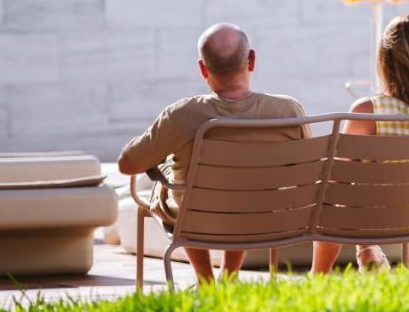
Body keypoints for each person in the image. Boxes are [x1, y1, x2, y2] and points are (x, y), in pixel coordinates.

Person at [118, 22, 306, 284]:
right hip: (261, 216)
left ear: (203, 69)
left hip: (195, 219)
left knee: (179, 178)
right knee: (243, 188)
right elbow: (309, 168)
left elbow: (127, 165)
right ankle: (228, 278)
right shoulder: (288, 112)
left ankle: (205, 281)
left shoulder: (181, 115)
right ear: (251, 60)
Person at [310, 14, 409, 274]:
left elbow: (335, 180)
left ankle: (321, 276)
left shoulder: (367, 112)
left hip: (375, 220)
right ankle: (368, 251)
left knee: (331, 197)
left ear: (385, 61)